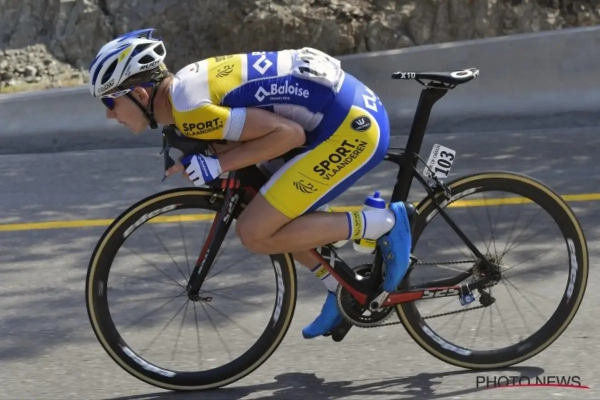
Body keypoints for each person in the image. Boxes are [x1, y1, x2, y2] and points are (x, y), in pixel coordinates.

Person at [88, 28, 415, 339]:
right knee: (260, 205)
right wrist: (211, 157)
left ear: (141, 94)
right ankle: (338, 285)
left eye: (109, 102)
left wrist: (218, 163)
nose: (108, 115)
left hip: (351, 129)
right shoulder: (184, 90)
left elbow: (288, 135)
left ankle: (381, 223)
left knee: (256, 231)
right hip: (342, 112)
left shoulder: (190, 110)